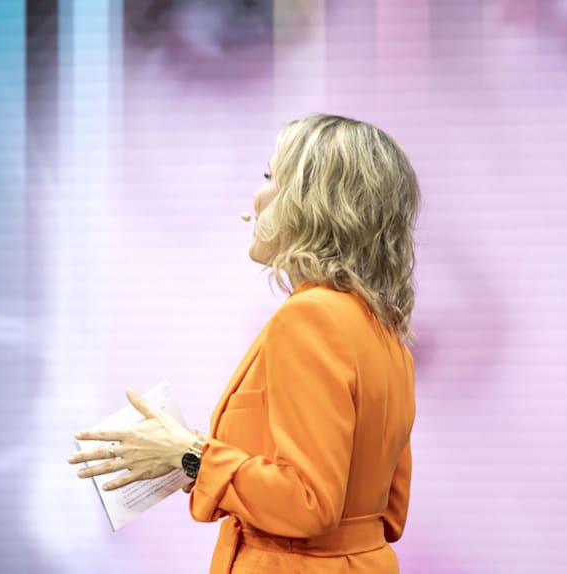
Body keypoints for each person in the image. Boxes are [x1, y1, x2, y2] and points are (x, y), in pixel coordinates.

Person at [69, 114, 419, 573]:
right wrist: (184, 452)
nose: (255, 199)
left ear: (314, 202)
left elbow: (310, 503)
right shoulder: (383, 329)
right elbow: (387, 510)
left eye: (271, 178)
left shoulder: (310, 317)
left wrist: (190, 455)